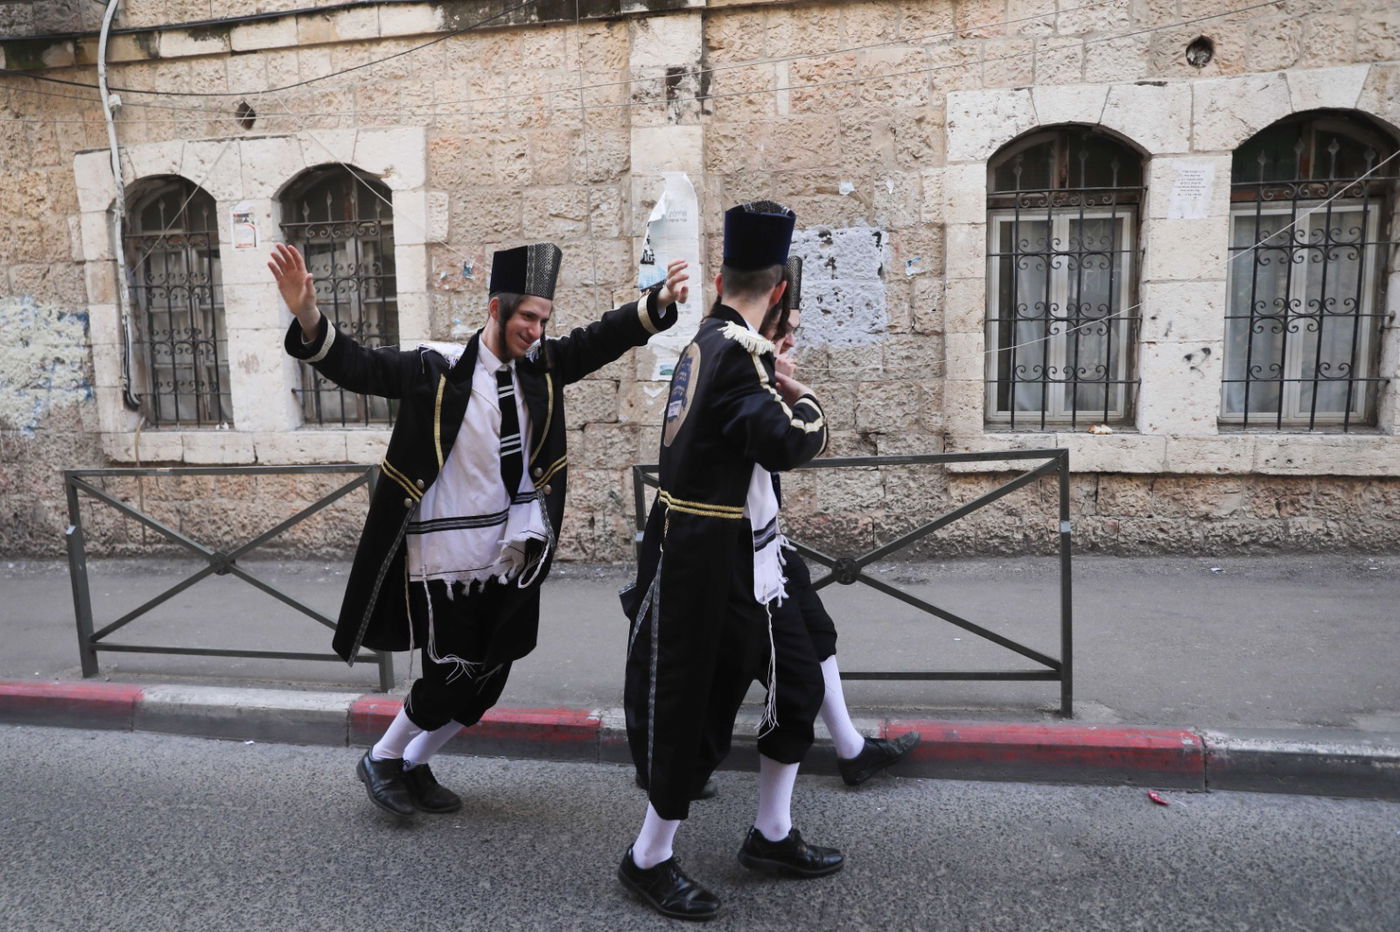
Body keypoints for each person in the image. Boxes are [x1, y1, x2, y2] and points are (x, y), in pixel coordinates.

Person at [271, 241, 688, 819]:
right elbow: (357, 366)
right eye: (527, 318)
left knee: (493, 672)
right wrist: (307, 314)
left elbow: (602, 338)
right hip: (447, 558)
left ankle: (413, 761)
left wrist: (657, 301)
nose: (536, 331)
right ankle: (384, 757)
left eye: (544, 319)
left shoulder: (543, 366)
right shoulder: (436, 367)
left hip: (513, 551)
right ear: (497, 309)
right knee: (452, 671)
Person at [618, 202, 835, 922]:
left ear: (719, 278)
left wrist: (772, 375)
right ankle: (648, 857)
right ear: (778, 290)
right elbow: (783, 443)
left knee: (798, 683)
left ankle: (771, 834)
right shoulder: (740, 354)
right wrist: (808, 405)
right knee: (694, 712)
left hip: (749, 555)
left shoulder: (709, 341)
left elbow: (736, 432)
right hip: (711, 563)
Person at [764, 257, 921, 788]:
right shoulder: (738, 374)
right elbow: (794, 445)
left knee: (818, 634)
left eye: (793, 333)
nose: (791, 345)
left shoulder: (756, 372)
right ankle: (755, 826)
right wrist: (801, 394)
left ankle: (852, 750)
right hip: (732, 559)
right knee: (785, 687)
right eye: (785, 333)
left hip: (767, 547)